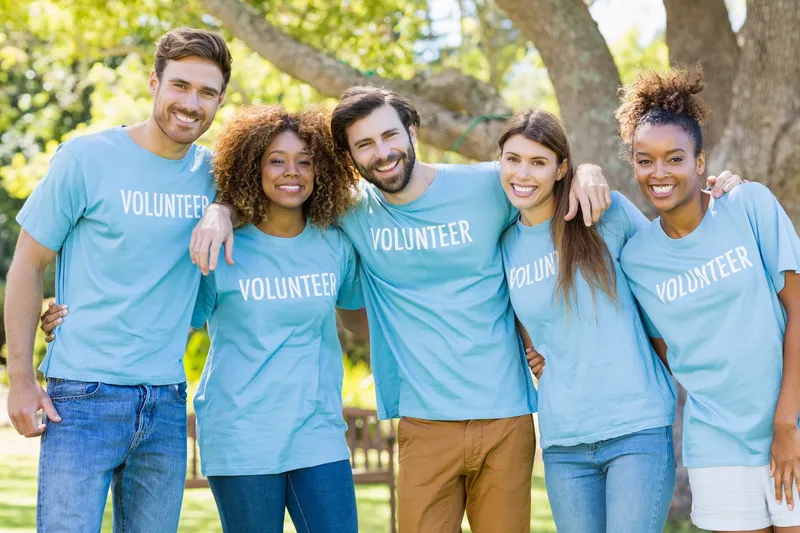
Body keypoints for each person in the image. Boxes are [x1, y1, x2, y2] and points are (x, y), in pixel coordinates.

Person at [190, 85, 616, 533]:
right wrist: (220, 209)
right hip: (422, 420)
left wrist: (586, 170)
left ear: (411, 130)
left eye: (390, 135)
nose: (383, 152)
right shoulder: (349, 214)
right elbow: (272, 194)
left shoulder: (487, 186)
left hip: (505, 415)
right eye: (364, 145)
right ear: (349, 158)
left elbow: (541, 175)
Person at [5, 28, 230, 532]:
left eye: (207, 92)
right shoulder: (86, 159)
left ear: (220, 100)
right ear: (154, 82)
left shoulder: (217, 175)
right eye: (180, 85)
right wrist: (21, 379)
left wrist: (223, 209)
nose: (191, 103)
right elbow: (27, 264)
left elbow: (278, 188)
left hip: (166, 400)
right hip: (82, 398)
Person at [618, 67, 800, 533]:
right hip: (717, 446)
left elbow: (798, 310)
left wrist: (785, 425)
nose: (659, 173)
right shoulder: (637, 259)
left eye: (674, 158)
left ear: (700, 162)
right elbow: (665, 350)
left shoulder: (748, 206)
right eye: (645, 160)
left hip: (793, 426)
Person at [498, 108, 678, 533]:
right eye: (513, 159)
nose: (523, 173)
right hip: (563, 441)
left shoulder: (604, 213)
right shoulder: (503, 243)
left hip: (636, 428)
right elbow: (527, 322)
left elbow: (673, 260)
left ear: (562, 168)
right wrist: (534, 351)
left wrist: (724, 192)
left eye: (538, 162)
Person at [189, 105, 365, 533]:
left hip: (318, 433)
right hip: (241, 433)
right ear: (254, 167)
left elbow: (365, 323)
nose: (292, 172)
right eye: (277, 160)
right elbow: (170, 323)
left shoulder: (334, 246)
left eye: (305, 161)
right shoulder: (222, 245)